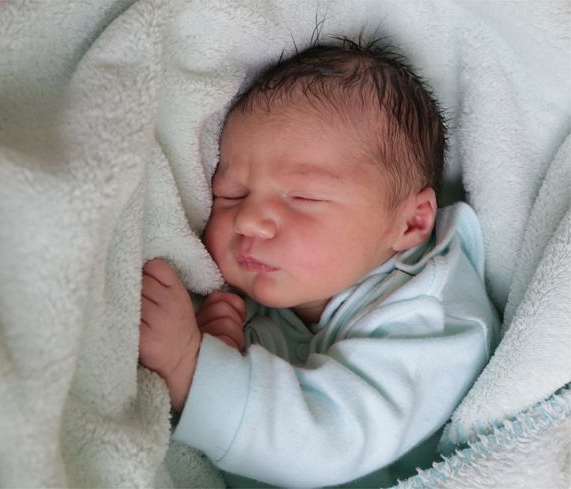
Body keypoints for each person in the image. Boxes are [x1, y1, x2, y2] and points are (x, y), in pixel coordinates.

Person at [138, 38, 500, 488]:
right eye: (231, 194)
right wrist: (231, 352)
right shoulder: (287, 296)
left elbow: (330, 440)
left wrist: (193, 370)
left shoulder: (430, 318)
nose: (248, 221)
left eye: (303, 197)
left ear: (411, 223)